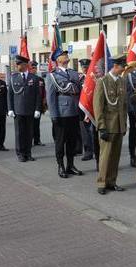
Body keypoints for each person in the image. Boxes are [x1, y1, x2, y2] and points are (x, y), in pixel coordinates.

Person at [45, 49, 83, 178]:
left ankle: (70, 165)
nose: (66, 56)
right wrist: (54, 115)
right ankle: (60, 166)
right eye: (63, 55)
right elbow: (50, 97)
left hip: (73, 111)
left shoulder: (73, 73)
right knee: (60, 142)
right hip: (61, 113)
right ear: (58, 60)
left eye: (66, 54)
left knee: (72, 141)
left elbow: (79, 91)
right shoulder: (52, 76)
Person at [93, 54, 127, 195]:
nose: (123, 70)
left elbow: (123, 106)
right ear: (116, 66)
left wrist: (124, 125)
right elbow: (98, 106)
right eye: (122, 68)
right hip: (107, 126)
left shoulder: (121, 82)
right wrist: (101, 127)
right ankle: (102, 183)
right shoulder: (103, 81)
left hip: (119, 126)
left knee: (115, 157)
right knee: (105, 157)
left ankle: (112, 182)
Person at [8, 55, 41, 162]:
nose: (17, 66)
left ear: (25, 65)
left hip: (30, 110)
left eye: (19, 64)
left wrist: (37, 109)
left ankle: (28, 153)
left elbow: (38, 95)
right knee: (19, 133)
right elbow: (10, 95)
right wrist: (10, 109)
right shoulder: (13, 78)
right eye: (17, 64)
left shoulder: (34, 78)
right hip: (18, 110)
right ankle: (20, 153)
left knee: (29, 133)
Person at [78, 58, 94, 161]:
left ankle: (96, 150)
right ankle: (88, 152)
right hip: (82, 109)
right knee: (84, 132)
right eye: (83, 67)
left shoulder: (94, 79)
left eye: (86, 67)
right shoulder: (78, 79)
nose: (84, 69)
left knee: (93, 131)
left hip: (92, 108)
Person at [29, 61, 47, 146]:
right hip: (30, 105)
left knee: (37, 123)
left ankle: (37, 140)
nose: (34, 70)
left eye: (35, 68)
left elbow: (43, 92)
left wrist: (44, 101)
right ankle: (29, 140)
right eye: (32, 68)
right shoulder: (28, 79)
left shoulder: (40, 79)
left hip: (38, 104)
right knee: (29, 124)